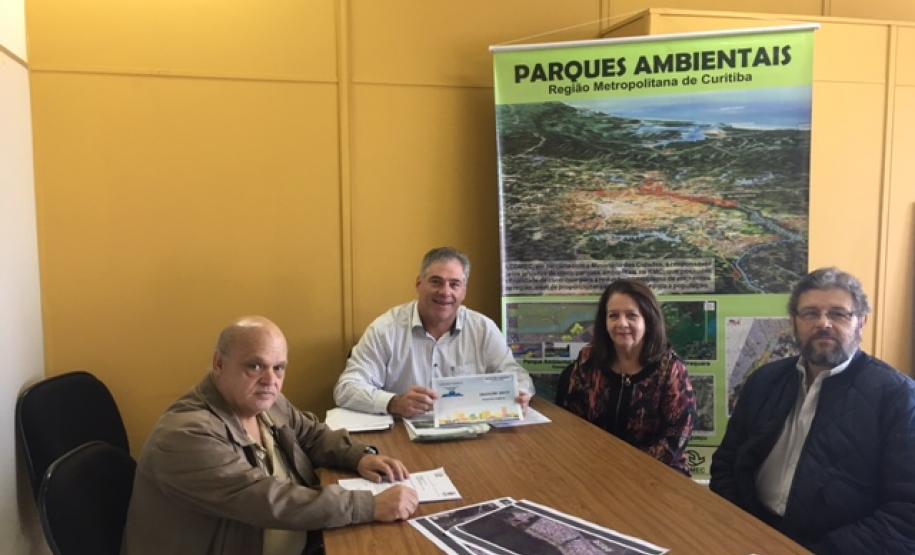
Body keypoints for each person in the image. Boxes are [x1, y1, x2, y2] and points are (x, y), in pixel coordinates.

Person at [122, 316, 419, 555]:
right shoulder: (185, 435)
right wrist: (367, 506)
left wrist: (358, 457)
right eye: (255, 366)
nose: (270, 380)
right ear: (218, 364)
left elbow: (312, 434)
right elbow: (267, 500)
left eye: (279, 368)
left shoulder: (265, 400)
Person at [710, 267, 915, 554]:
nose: (824, 323)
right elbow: (725, 465)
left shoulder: (898, 397)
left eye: (838, 313)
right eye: (810, 313)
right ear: (794, 322)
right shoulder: (764, 380)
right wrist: (742, 529)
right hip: (750, 536)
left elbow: (906, 514)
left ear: (861, 322)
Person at [334, 247, 534, 417]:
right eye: (436, 282)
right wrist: (394, 403)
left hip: (470, 434)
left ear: (464, 291)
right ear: (419, 284)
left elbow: (517, 376)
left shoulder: (483, 329)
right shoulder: (385, 329)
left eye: (454, 284)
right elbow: (347, 388)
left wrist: (520, 394)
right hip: (403, 437)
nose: (445, 292)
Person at [555, 279, 696, 475]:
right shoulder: (588, 361)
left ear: (648, 319)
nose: (621, 323)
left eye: (631, 315)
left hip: (657, 473)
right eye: (613, 315)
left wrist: (624, 466)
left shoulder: (671, 369)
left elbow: (677, 436)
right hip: (593, 467)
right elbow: (572, 420)